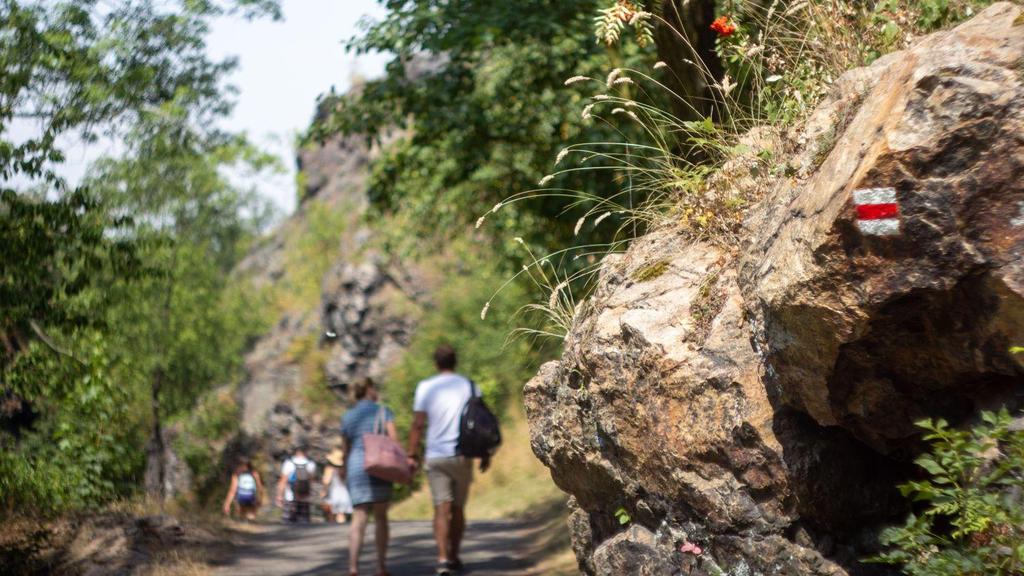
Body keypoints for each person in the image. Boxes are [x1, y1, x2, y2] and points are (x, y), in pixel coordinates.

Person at [406, 344, 490, 576]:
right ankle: (454, 556)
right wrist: (484, 453)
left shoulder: (425, 387)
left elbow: (418, 424)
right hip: (462, 455)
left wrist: (411, 454)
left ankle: (442, 559)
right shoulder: (471, 386)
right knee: (458, 508)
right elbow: (481, 424)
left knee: (441, 508)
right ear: (456, 362)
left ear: (436, 363)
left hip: (436, 456)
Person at [341, 377, 398, 576]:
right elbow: (394, 441)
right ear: (369, 389)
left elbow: (345, 449)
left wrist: (344, 471)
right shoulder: (384, 411)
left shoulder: (348, 416)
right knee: (381, 516)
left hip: (357, 467)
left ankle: (353, 567)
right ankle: (380, 567)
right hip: (380, 465)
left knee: (359, 517)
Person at [275, 440, 317, 523]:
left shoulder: (288, 463)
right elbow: (311, 482)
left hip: (290, 498)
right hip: (305, 498)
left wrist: (279, 496)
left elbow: (283, 481)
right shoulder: (311, 464)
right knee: (304, 525)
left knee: (288, 525)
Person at [322, 446, 354, 523]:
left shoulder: (329, 469)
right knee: (342, 516)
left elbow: (326, 481)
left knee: (332, 517)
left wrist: (324, 491)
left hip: (334, 495)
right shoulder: (346, 469)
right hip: (345, 495)